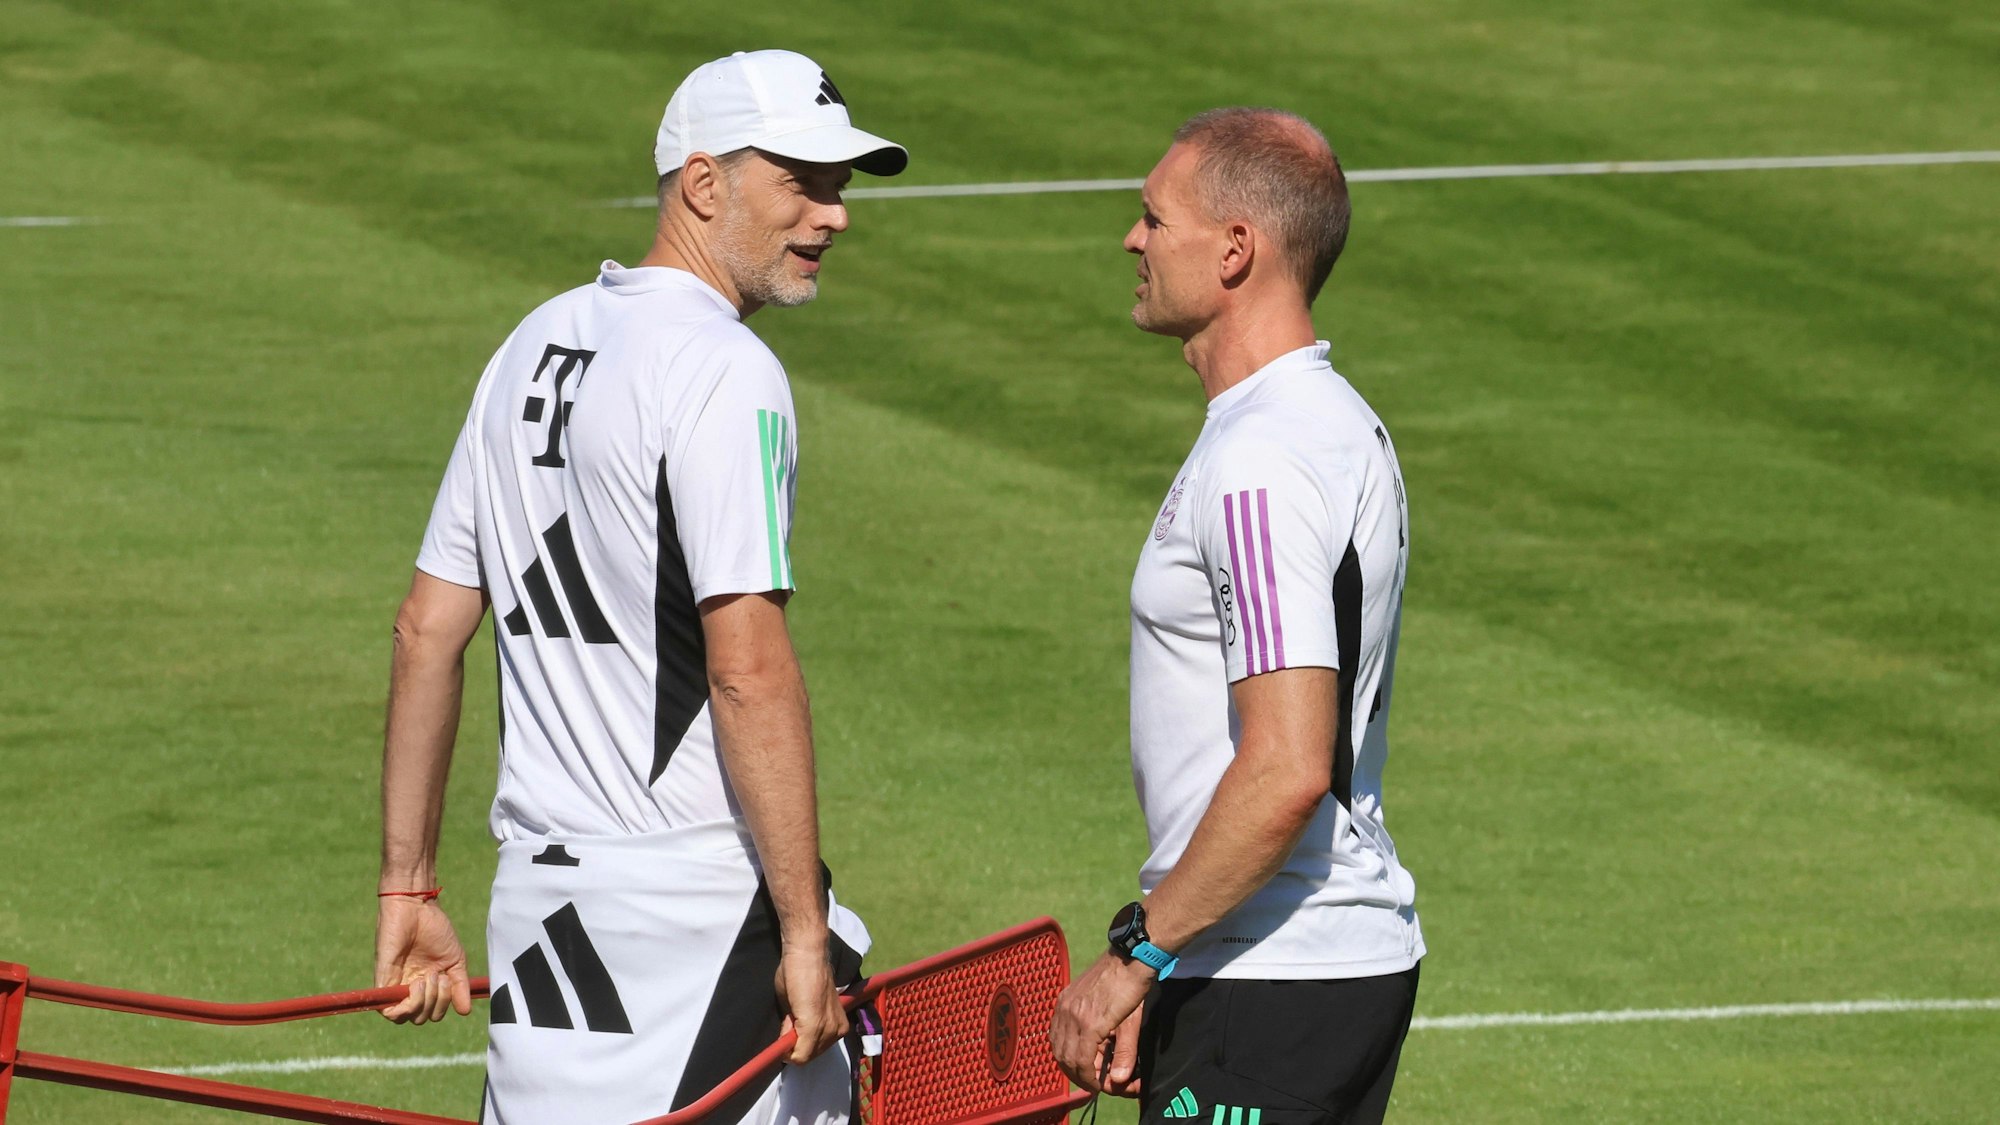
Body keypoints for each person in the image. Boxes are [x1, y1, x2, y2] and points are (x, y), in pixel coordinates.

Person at [371, 49, 907, 1125]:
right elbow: (746, 667)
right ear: (705, 186)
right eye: (802, 181)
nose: (833, 215)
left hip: (542, 904)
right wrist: (805, 933)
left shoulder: (531, 344)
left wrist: (408, 888)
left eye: (839, 186)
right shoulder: (722, 369)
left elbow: (427, 629)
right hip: (694, 916)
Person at [1050, 108, 1424, 1125]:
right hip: (1286, 971)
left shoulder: (1261, 460)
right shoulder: (1334, 422)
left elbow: (1287, 762)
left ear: (1233, 250)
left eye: (1151, 218)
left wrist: (1137, 953)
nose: (1132, 241)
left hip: (1269, 977)